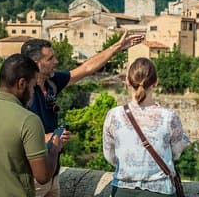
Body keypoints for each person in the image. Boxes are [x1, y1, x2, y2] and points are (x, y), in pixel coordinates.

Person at [21, 30, 144, 196]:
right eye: (50, 59)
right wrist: (48, 137)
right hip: (32, 176)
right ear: (36, 64)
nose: (56, 61)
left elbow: (86, 68)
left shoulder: (52, 82)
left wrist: (117, 47)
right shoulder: (22, 91)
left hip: (53, 172)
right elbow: (13, 133)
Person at [0, 54, 62, 197]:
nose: (33, 93)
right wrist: (55, 149)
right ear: (22, 83)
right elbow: (43, 177)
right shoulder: (29, 120)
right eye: (33, 87)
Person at [103, 57, 189, 197]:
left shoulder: (114, 115)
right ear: (155, 82)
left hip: (122, 189)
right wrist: (185, 140)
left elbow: (110, 156)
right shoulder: (169, 117)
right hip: (160, 190)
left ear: (128, 81)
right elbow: (176, 153)